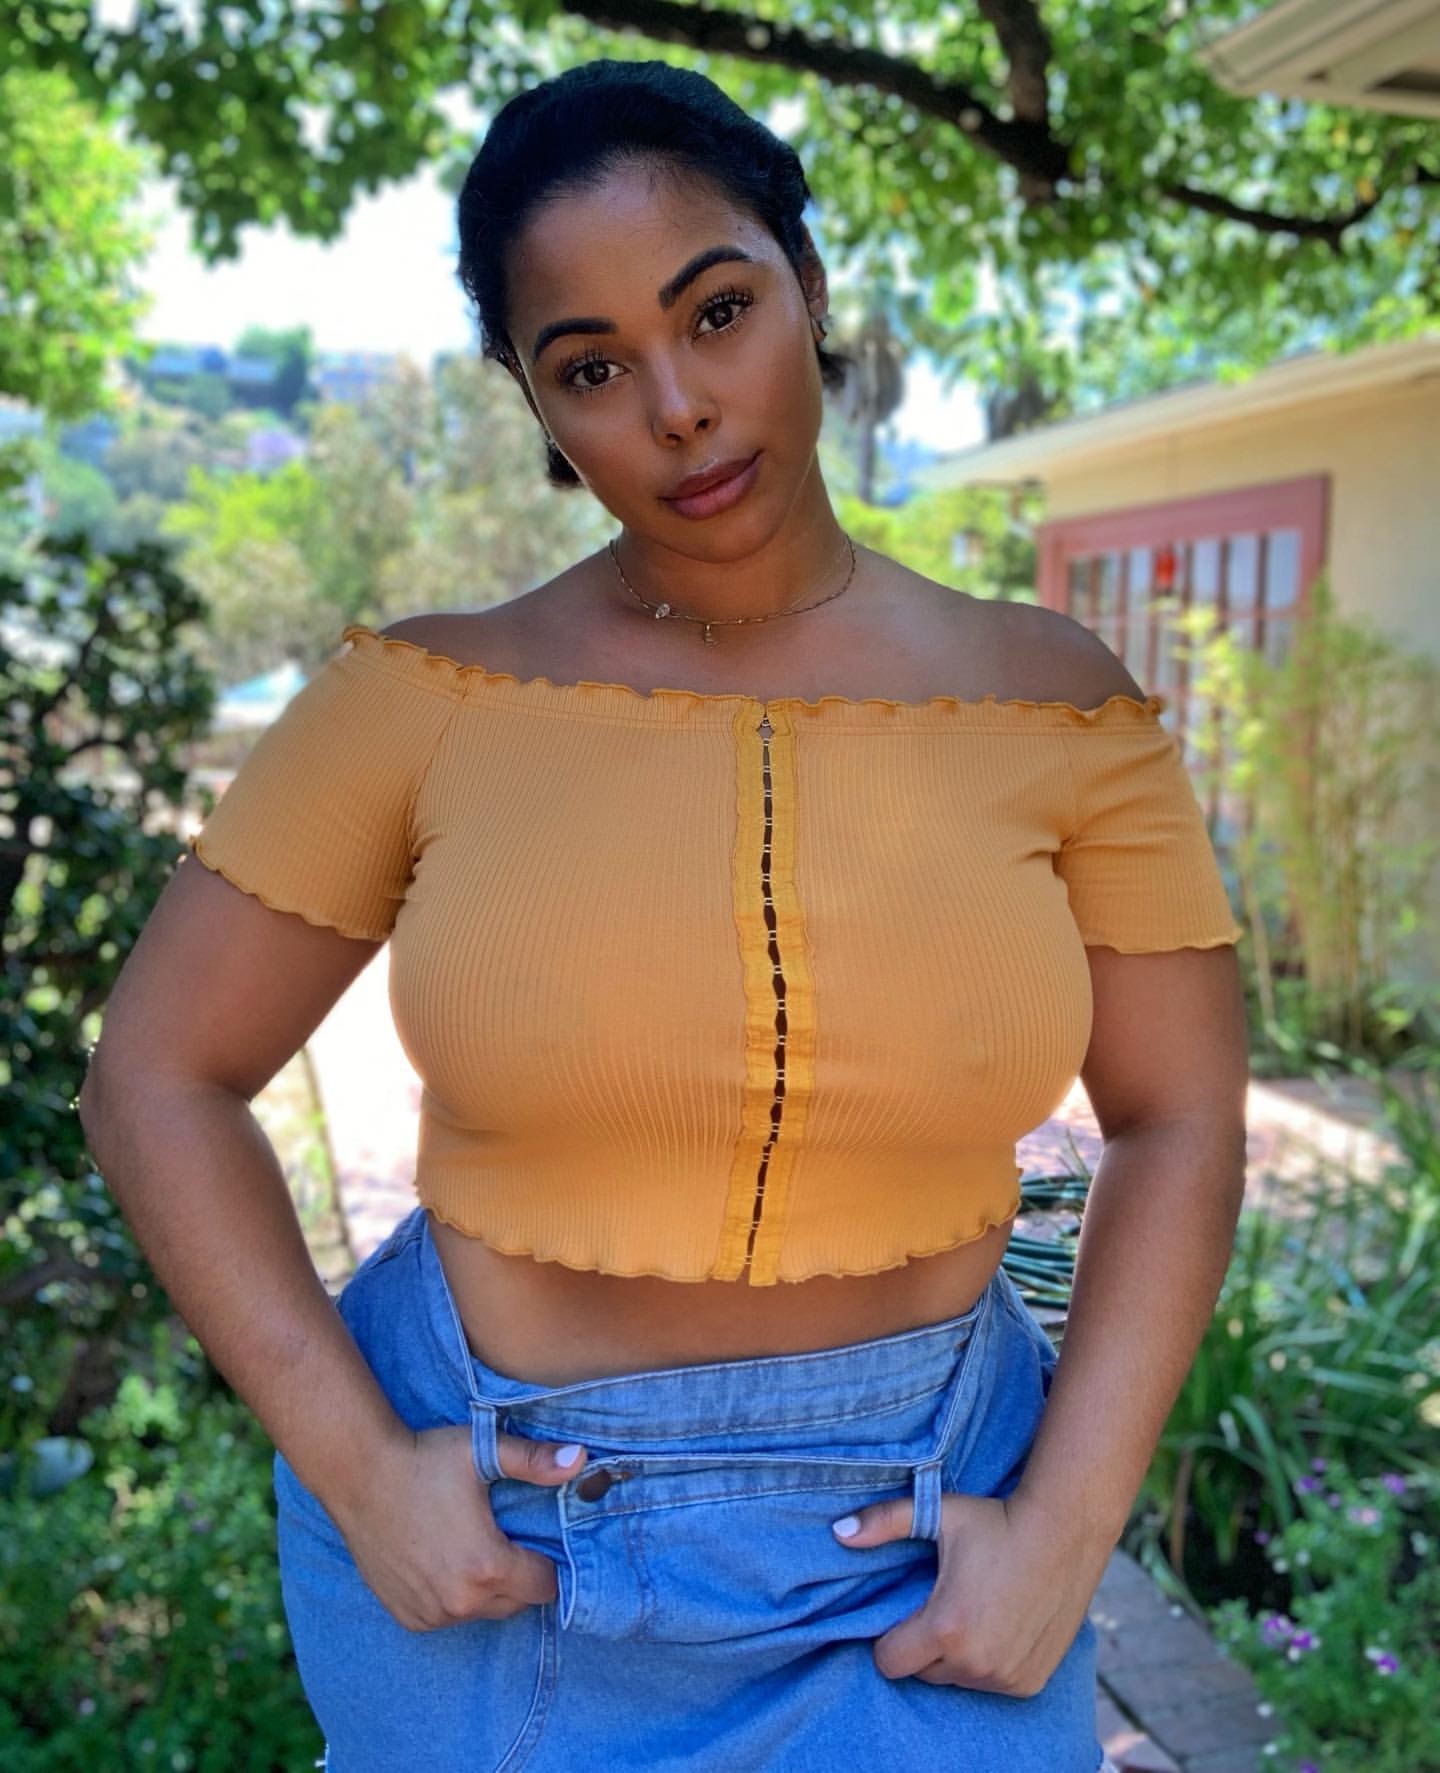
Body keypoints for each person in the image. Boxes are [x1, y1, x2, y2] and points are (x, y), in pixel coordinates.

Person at [79, 57, 1248, 1773]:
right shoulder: (420, 701)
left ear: (807, 286)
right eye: (593, 365)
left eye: (717, 311)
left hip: (930, 1551)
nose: (680, 406)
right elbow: (154, 1077)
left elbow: (1183, 1115)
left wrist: (1071, 1527)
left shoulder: (1057, 704)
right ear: (536, 404)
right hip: (500, 1561)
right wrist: (362, 1468)